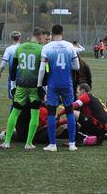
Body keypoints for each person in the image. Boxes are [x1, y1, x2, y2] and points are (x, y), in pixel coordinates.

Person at [0, 27, 46, 150]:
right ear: (40, 36)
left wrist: (13, 84)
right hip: (34, 86)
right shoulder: (41, 49)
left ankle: (7, 142)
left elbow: (13, 67)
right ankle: (28, 143)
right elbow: (44, 70)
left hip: (21, 84)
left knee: (15, 112)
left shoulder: (20, 48)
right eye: (43, 37)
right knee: (34, 113)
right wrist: (43, 87)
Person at [38, 24, 80, 152]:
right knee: (69, 111)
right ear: (62, 32)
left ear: (52, 33)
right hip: (67, 83)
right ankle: (72, 144)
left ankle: (52, 144)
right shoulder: (69, 46)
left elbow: (41, 69)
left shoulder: (47, 47)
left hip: (53, 83)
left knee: (51, 112)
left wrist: (39, 85)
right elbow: (77, 66)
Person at [0, 31, 22, 99]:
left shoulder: (9, 49)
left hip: (13, 77)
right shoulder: (23, 48)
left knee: (14, 100)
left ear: (11, 38)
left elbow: (3, 64)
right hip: (23, 77)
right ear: (20, 38)